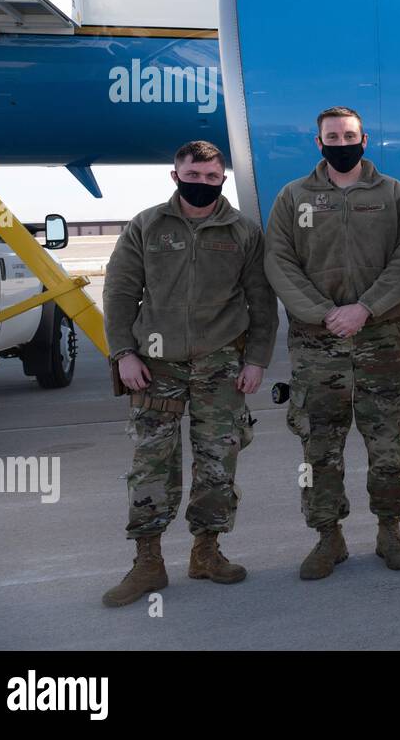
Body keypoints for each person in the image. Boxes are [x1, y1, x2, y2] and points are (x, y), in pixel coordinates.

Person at [101, 140, 278, 607]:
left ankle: (207, 552)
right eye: (193, 176)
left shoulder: (242, 230)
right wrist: (123, 352)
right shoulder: (147, 226)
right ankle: (148, 563)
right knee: (151, 463)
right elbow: (119, 293)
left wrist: (257, 359)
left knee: (219, 461)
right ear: (175, 175)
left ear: (222, 179)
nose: (202, 185)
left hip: (221, 363)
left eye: (211, 178)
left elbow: (262, 301)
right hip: (154, 364)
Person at [265, 106, 400, 579]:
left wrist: (365, 308)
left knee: (389, 439)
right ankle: (327, 537)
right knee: (319, 447)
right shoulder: (294, 197)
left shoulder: (392, 194)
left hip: (383, 338)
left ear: (364, 139)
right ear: (319, 143)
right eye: (332, 136)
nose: (341, 142)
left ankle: (390, 530)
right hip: (318, 344)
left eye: (349, 135)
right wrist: (323, 313)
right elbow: (278, 260)